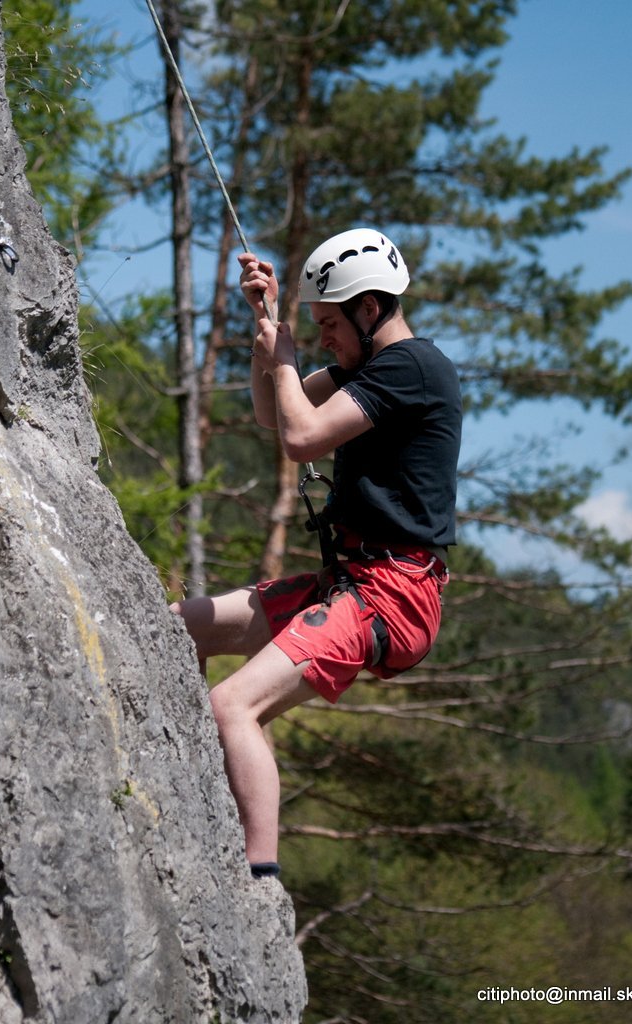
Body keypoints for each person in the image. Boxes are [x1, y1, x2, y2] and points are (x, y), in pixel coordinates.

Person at [171, 228, 462, 879]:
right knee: (176, 628)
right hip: (354, 582)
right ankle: (183, 779)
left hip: (391, 594)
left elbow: (301, 439)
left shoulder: (412, 368)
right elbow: (274, 414)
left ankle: (255, 883)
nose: (324, 337)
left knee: (232, 705)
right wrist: (268, 326)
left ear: (369, 309)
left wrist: (284, 357)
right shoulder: (368, 369)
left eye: (330, 324)